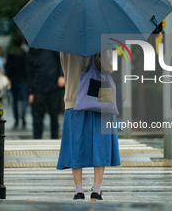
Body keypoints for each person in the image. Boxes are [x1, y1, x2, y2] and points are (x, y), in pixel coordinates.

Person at [56, 51, 120, 200]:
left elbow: (65, 68)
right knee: (100, 144)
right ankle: (96, 191)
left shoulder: (65, 42)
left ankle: (78, 191)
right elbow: (109, 67)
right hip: (99, 96)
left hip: (73, 97)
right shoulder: (100, 37)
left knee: (76, 145)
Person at [27, 48, 65, 139]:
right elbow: (29, 75)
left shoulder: (51, 50)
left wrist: (61, 75)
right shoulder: (30, 55)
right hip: (38, 91)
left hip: (53, 88)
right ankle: (37, 139)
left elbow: (61, 62)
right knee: (37, 119)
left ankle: (55, 138)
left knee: (54, 117)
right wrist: (31, 92)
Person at [5, 35, 28, 129]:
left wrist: (9, 77)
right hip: (23, 80)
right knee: (24, 99)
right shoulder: (23, 53)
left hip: (13, 80)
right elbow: (27, 67)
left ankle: (16, 119)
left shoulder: (10, 53)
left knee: (14, 101)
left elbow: (7, 67)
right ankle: (23, 112)